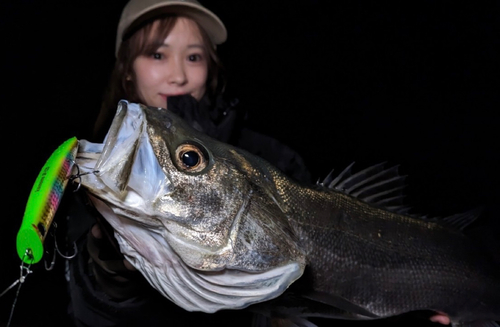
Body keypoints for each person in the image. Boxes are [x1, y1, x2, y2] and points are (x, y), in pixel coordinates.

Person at [62, 0, 312, 326]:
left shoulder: (275, 159)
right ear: (126, 69)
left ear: (211, 71)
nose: (178, 76)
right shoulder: (100, 165)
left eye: (194, 57)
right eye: (157, 55)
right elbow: (85, 311)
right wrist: (111, 272)